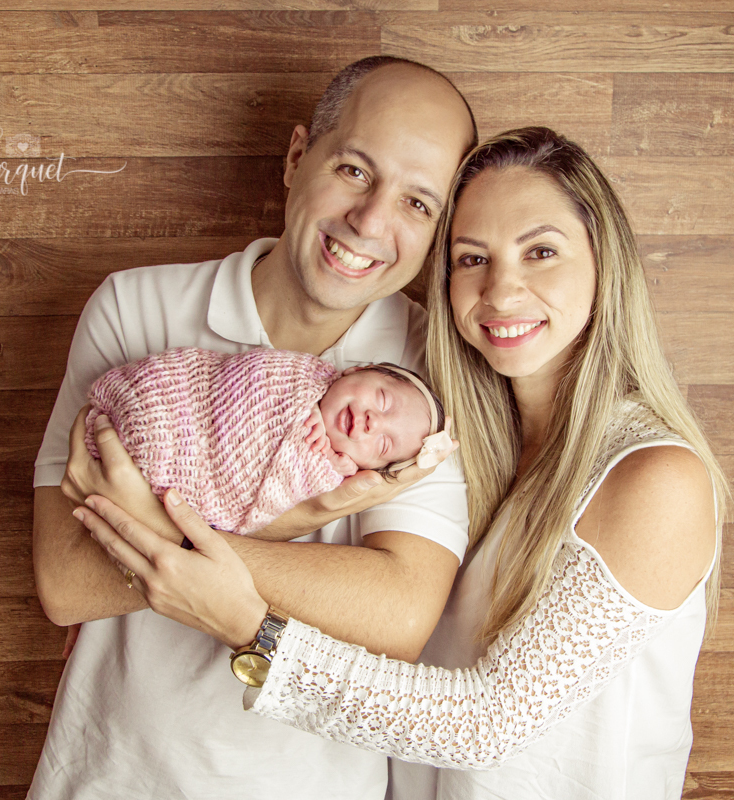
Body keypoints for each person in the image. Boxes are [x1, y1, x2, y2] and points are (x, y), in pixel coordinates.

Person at [77, 127, 730, 800]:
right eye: (472, 259)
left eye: (540, 252)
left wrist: (250, 626)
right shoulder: (477, 451)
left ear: (605, 264)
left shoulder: (653, 477)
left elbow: (485, 724)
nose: (502, 291)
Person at [28, 56, 477, 799]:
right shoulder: (134, 311)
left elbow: (398, 612)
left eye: (418, 204)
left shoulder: (431, 379)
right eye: (355, 171)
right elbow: (67, 583)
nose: (370, 223)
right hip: (110, 776)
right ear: (298, 157)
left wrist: (158, 533)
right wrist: (291, 524)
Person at [83, 346, 451, 535]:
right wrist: (301, 415)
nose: (373, 422)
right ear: (356, 370)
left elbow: (273, 501)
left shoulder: (328, 470)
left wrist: (321, 466)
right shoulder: (296, 372)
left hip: (192, 478)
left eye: (383, 445)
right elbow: (231, 382)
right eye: (383, 400)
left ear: (362, 468)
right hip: (170, 401)